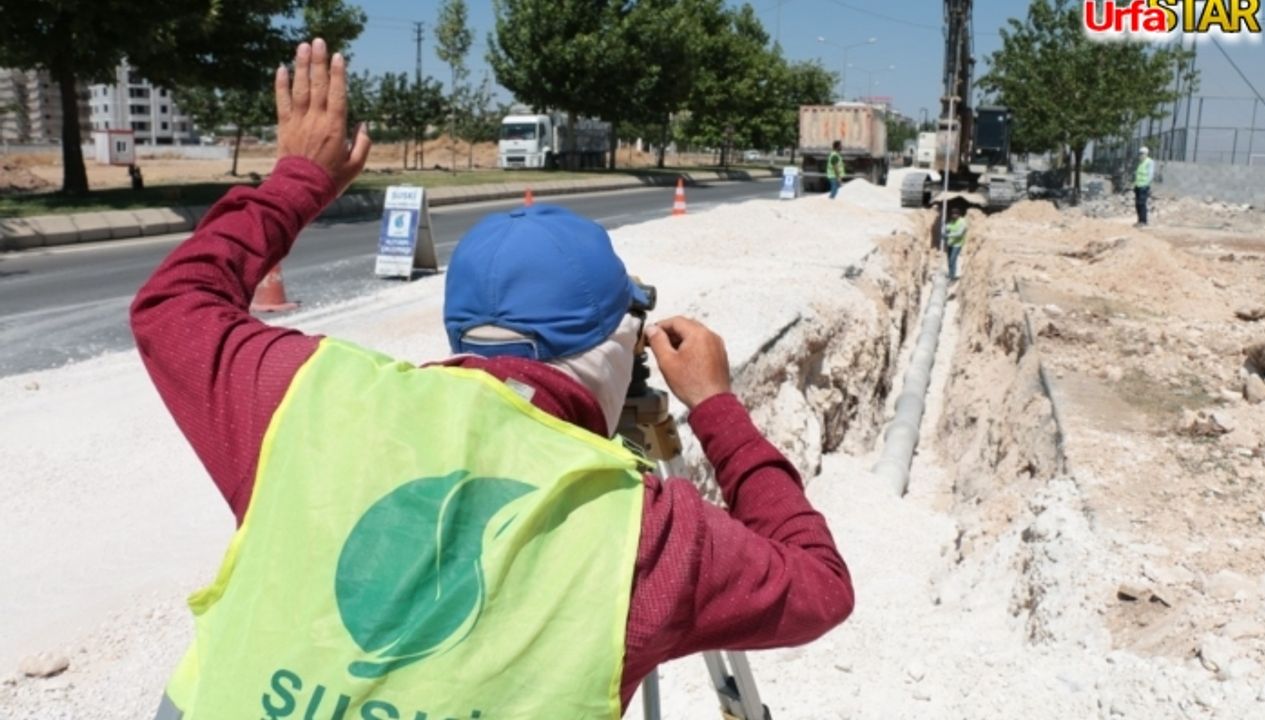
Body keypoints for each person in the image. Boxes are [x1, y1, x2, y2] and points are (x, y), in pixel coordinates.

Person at [133, 39, 852, 719]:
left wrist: (295, 181)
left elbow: (172, 308)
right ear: (614, 342)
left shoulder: (309, 398)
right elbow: (819, 585)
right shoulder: (640, 534)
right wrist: (717, 406)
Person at [944, 206, 967, 281]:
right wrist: (944, 228)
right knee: (949, 260)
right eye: (952, 214)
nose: (953, 216)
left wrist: (948, 235)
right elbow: (948, 227)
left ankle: (953, 276)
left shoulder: (962, 221)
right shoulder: (952, 221)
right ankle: (951, 274)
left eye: (955, 214)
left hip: (957, 244)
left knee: (952, 259)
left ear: (958, 214)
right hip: (950, 243)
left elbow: (959, 233)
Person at [1134, 146, 1154, 227]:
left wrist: (1146, 184)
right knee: (1137, 204)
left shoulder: (1149, 162)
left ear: (1146, 154)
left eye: (1141, 153)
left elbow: (1150, 174)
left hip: (1144, 186)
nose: (1140, 155)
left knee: (1142, 203)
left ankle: (1143, 221)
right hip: (1138, 185)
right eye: (1139, 153)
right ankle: (1139, 220)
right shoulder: (1140, 162)